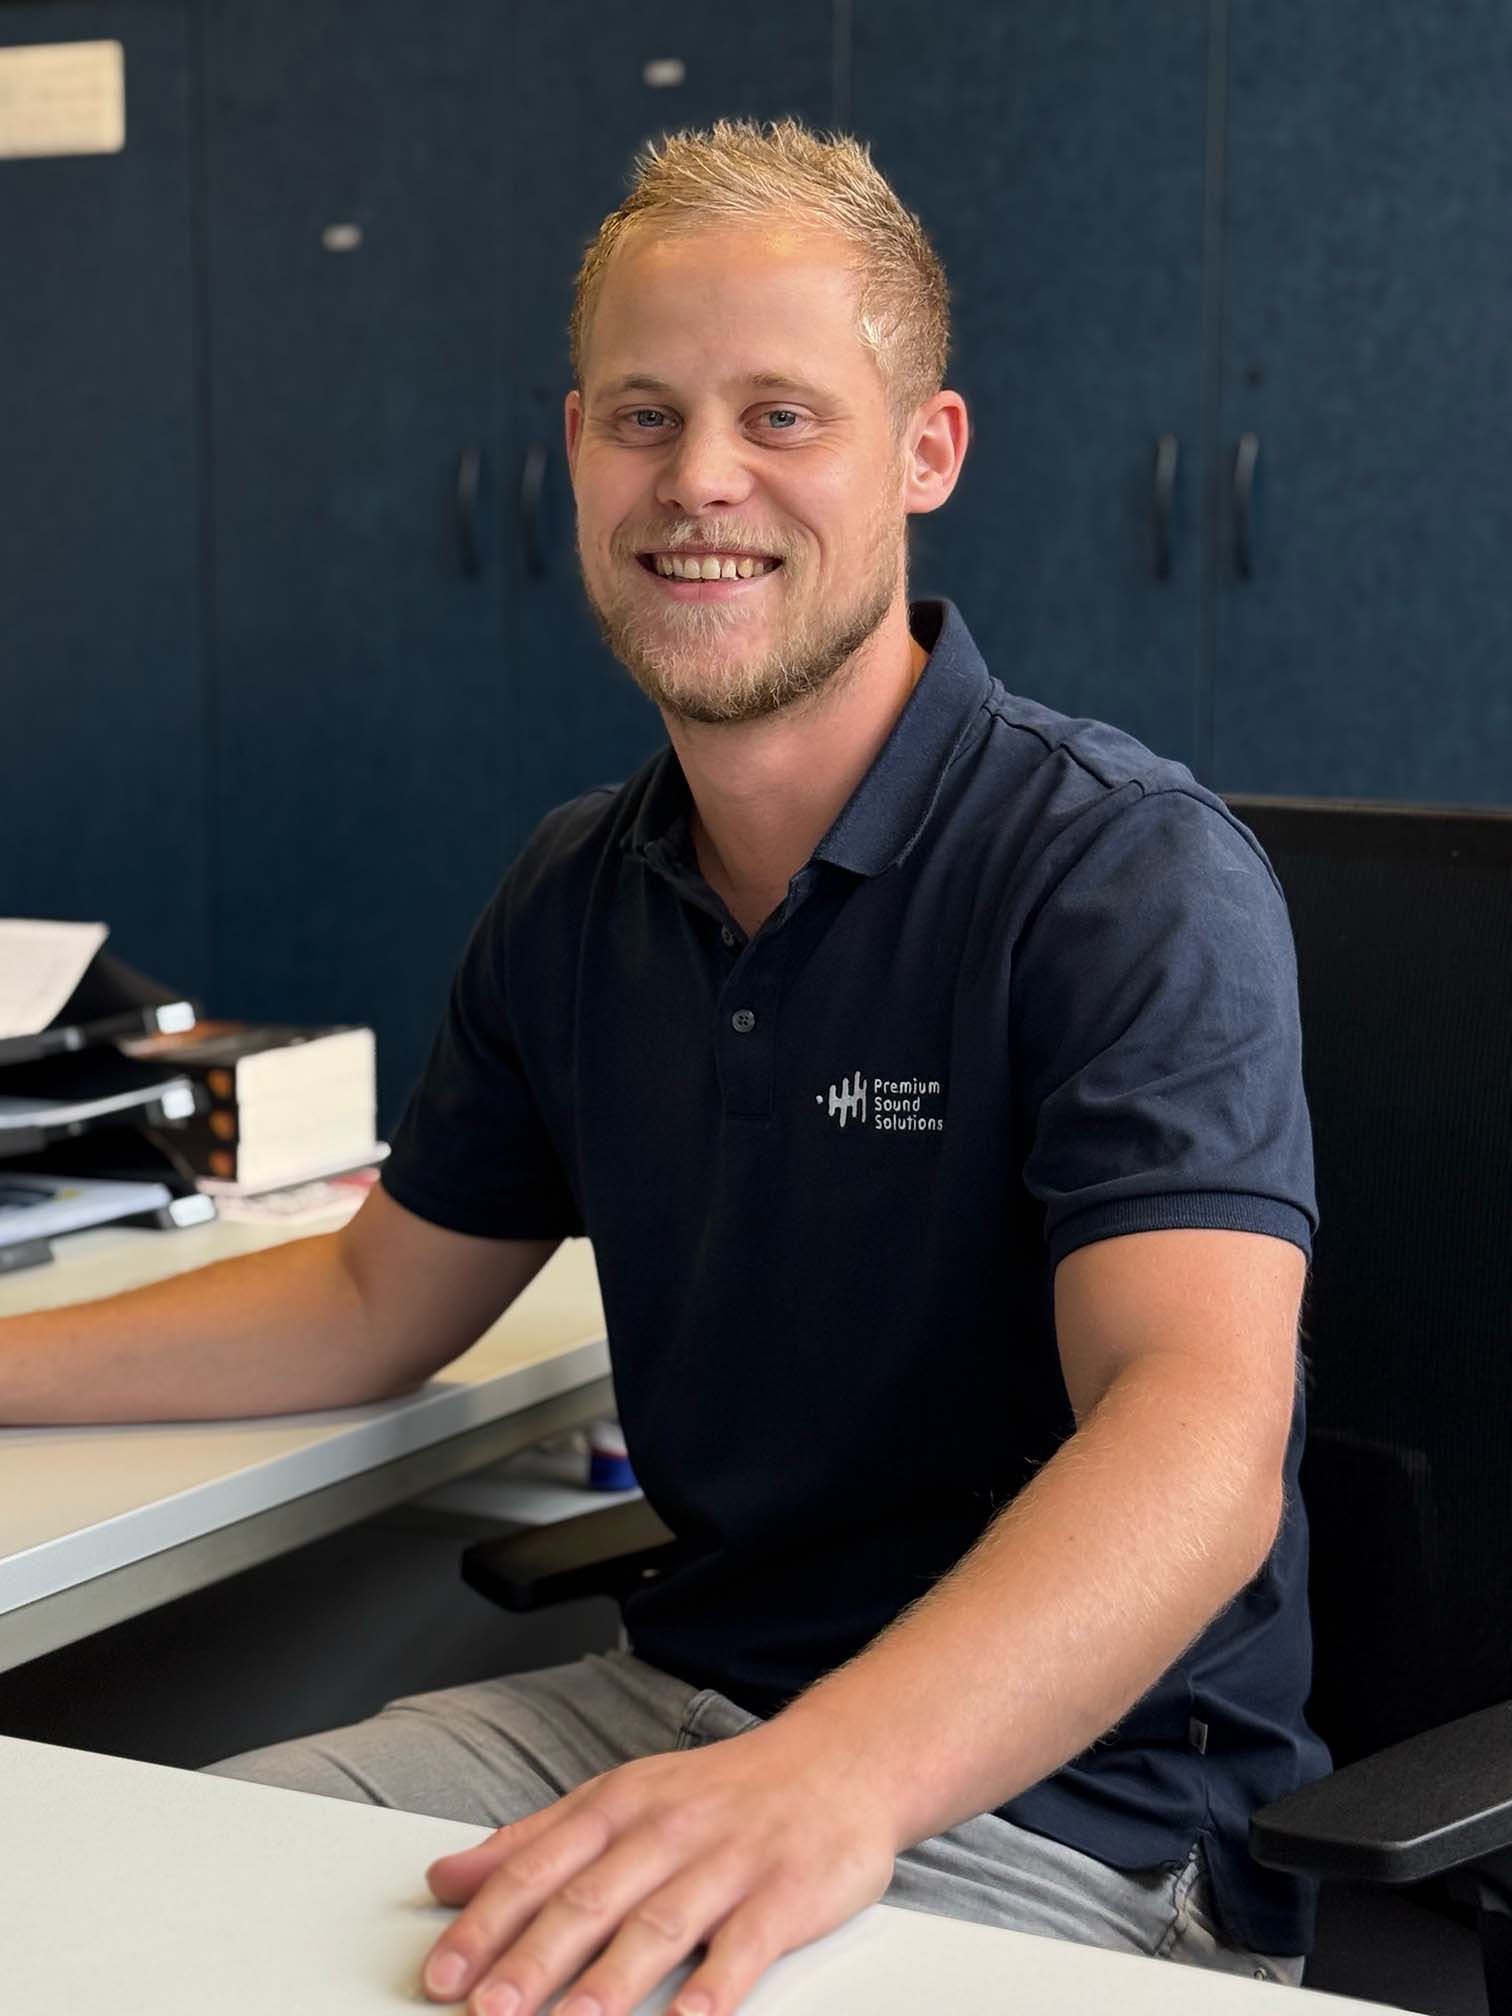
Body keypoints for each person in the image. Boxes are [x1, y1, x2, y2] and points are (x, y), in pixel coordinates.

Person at [0, 118, 1328, 2016]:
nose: (699, 481)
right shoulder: (573, 890)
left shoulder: (1118, 874)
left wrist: (831, 1779)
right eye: (643, 416)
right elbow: (374, 1296)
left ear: (925, 454)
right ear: (571, 453)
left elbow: (1198, 1439)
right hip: (679, 1718)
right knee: (102, 1918)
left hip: (1076, 1817)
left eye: (783, 415)